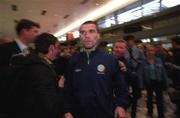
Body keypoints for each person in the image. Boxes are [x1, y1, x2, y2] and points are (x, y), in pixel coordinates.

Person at [64, 21, 129, 118]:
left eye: (91, 31)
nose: (87, 35)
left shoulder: (110, 59)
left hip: (105, 112)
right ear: (80, 37)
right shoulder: (73, 60)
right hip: (79, 113)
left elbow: (121, 87)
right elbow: (68, 88)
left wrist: (121, 105)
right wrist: (67, 110)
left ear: (98, 36)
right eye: (83, 32)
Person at [6, 33, 63, 118]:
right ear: (51, 48)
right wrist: (60, 87)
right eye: (58, 47)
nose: (59, 51)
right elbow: (50, 107)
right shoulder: (41, 69)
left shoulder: (32, 62)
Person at [0, 19, 40, 117]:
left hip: (30, 103)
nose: (36, 34)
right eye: (34, 31)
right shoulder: (5, 49)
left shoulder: (33, 52)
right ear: (24, 31)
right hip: (11, 103)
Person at [142, 45, 167, 118]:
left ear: (154, 51)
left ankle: (161, 115)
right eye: (149, 50)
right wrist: (141, 84)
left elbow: (163, 72)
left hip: (158, 81)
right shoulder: (143, 61)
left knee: (160, 99)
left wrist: (165, 83)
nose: (150, 52)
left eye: (152, 50)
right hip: (148, 82)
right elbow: (141, 73)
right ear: (146, 52)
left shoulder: (159, 60)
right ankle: (150, 113)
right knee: (149, 99)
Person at [123, 35, 145, 118]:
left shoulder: (139, 51)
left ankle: (133, 114)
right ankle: (125, 109)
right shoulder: (124, 51)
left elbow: (143, 62)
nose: (129, 42)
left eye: (130, 40)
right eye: (127, 41)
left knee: (135, 95)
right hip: (126, 75)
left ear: (133, 41)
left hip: (136, 75)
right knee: (125, 93)